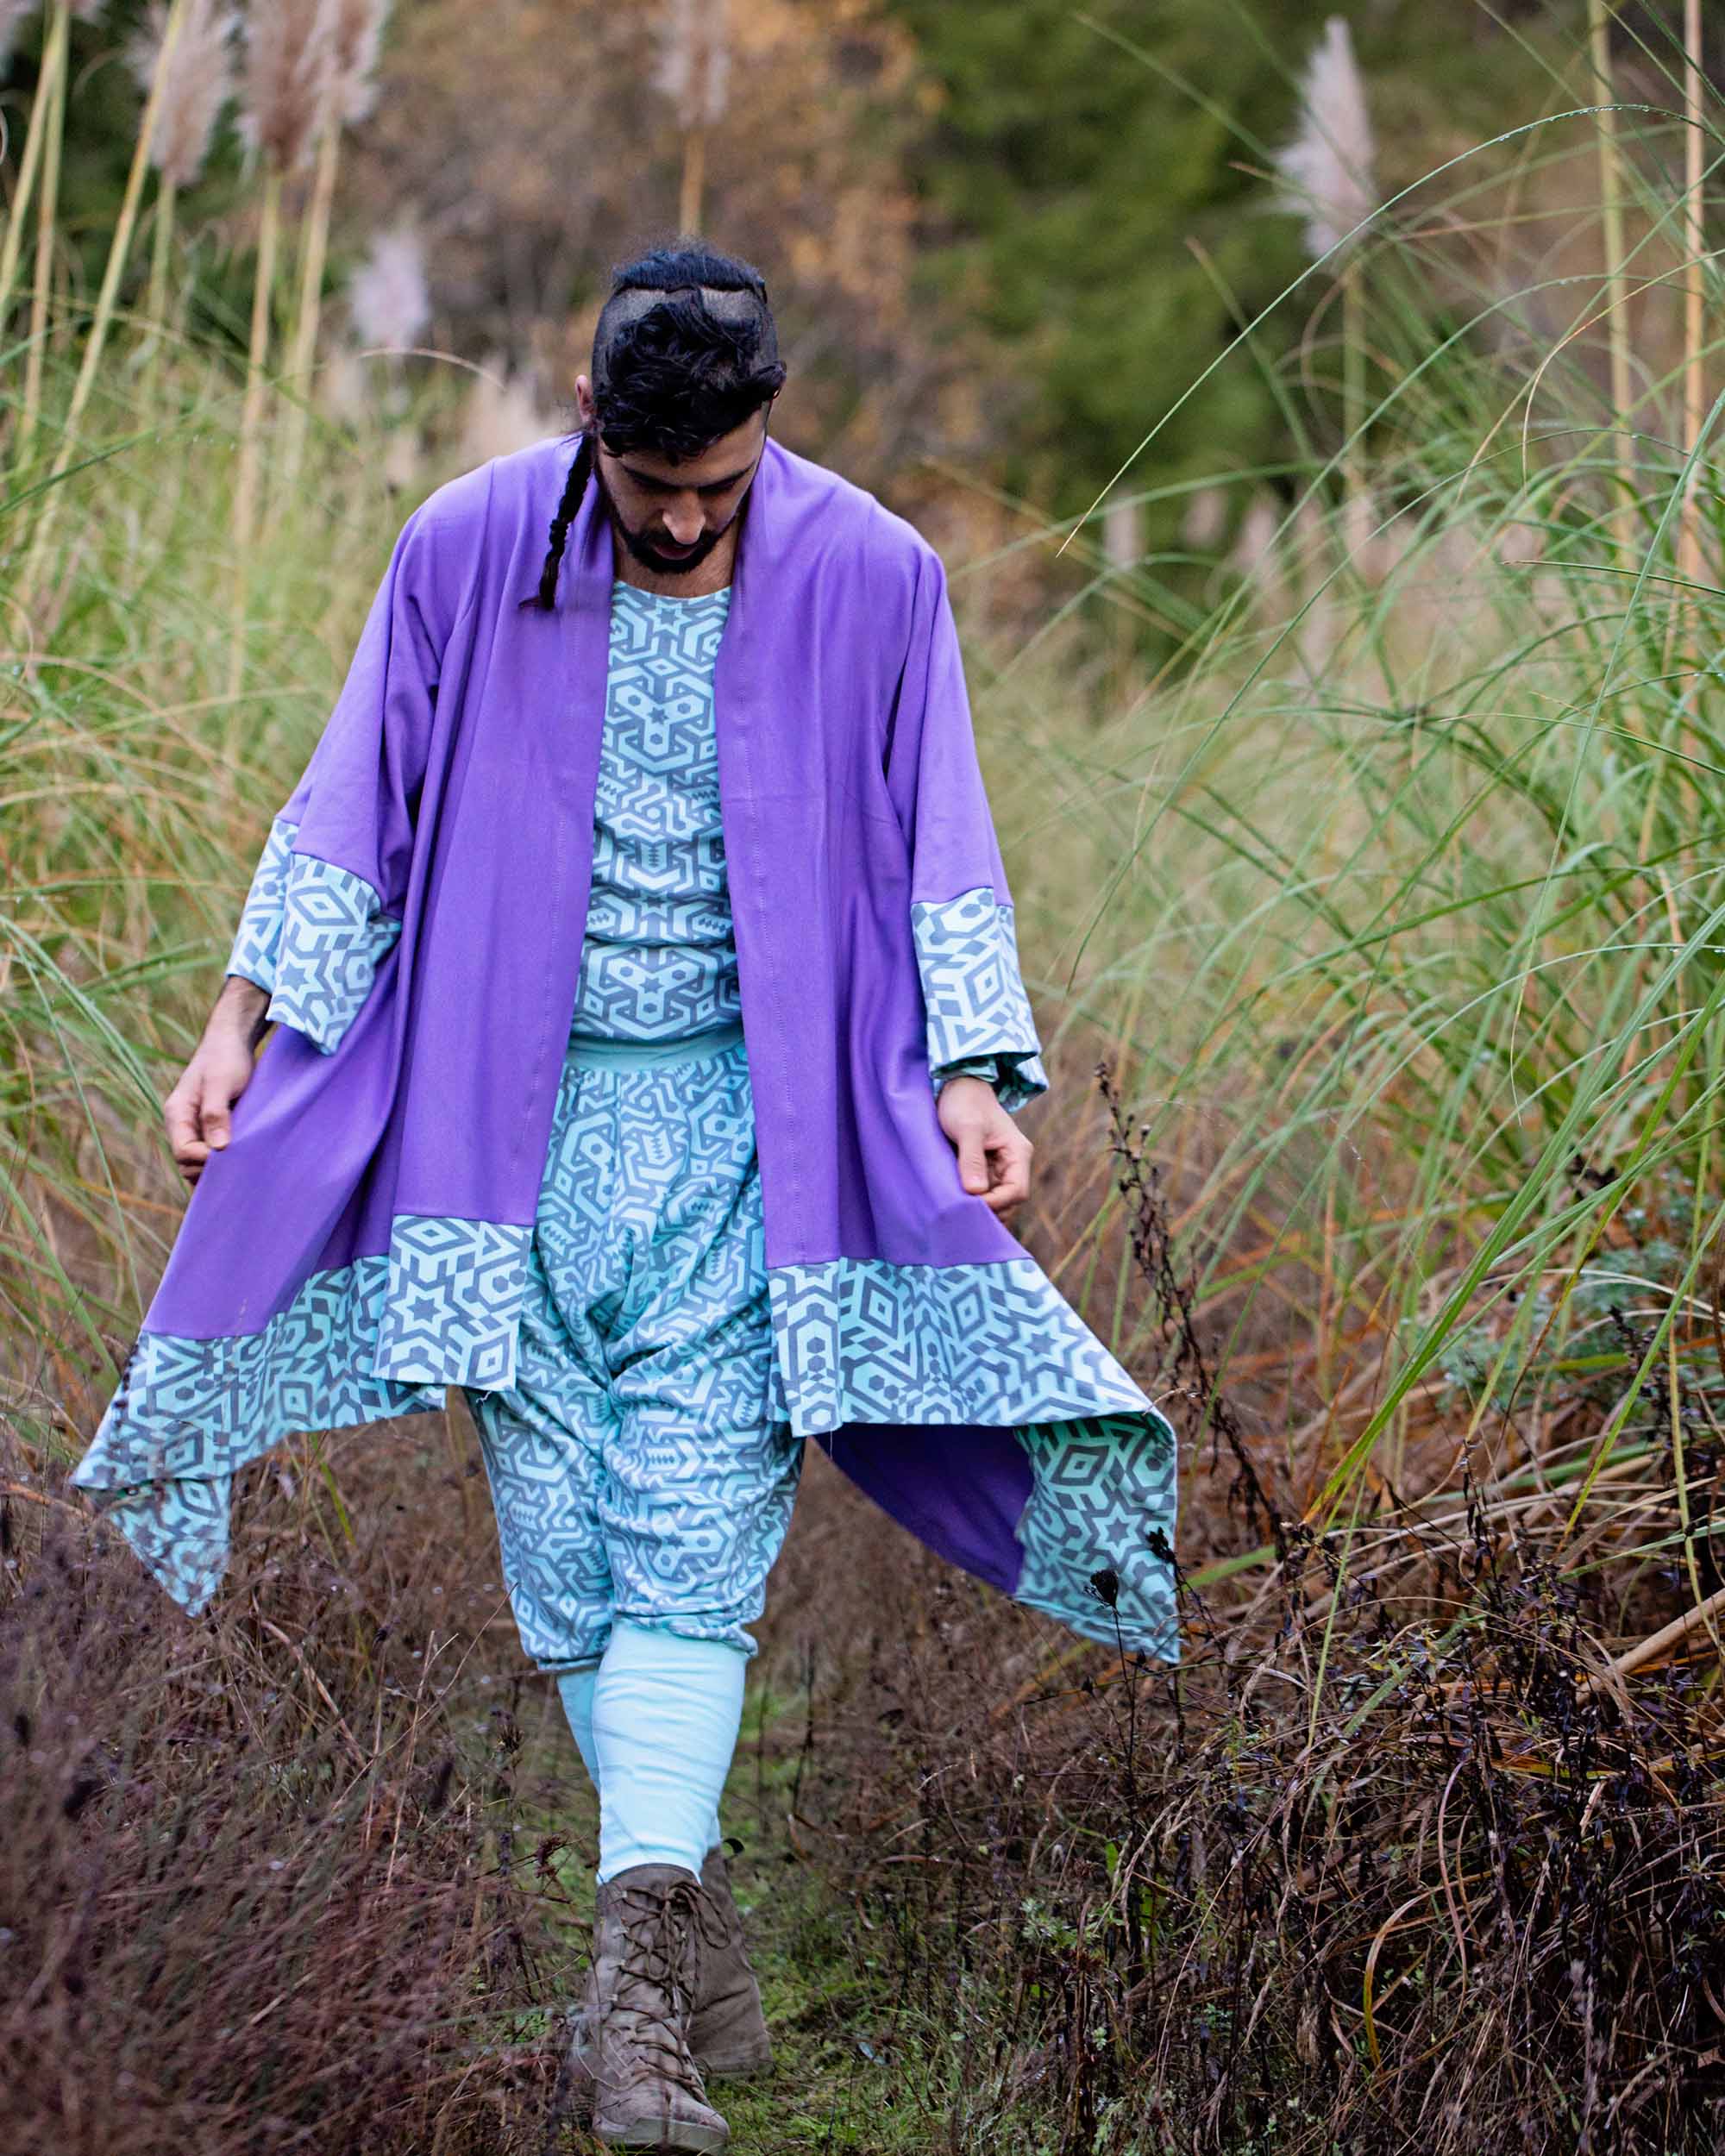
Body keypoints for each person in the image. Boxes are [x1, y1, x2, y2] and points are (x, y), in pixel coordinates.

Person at [72, 241, 1179, 2152]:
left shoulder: (874, 577)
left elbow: (944, 840)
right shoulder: (462, 546)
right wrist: (240, 1026)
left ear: (769, 434)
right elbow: (356, 802)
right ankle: (676, 1904)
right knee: (567, 1554)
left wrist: (976, 1067)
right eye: (649, 483)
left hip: (766, 1143)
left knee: (691, 1529)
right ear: (588, 418)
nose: (680, 520)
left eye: (717, 486)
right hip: (498, 1143)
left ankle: (628, 2008)